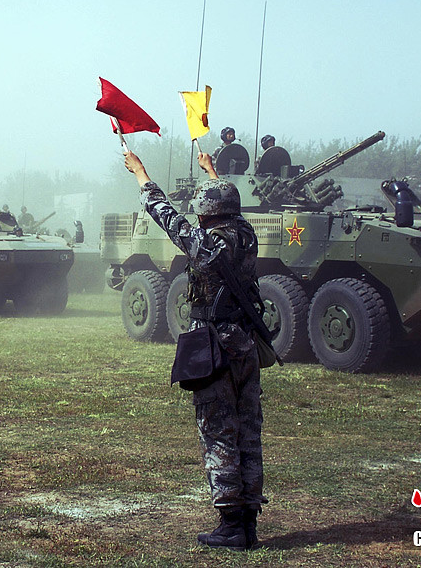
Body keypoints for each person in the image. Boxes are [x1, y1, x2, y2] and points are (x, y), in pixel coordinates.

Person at [124, 148, 266, 550]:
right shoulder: (245, 232)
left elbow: (170, 220)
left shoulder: (206, 243)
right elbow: (226, 208)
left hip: (215, 344)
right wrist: (213, 173)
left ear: (206, 214)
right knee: (248, 431)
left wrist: (142, 175)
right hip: (245, 343)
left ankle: (231, 524)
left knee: (219, 430)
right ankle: (249, 520)